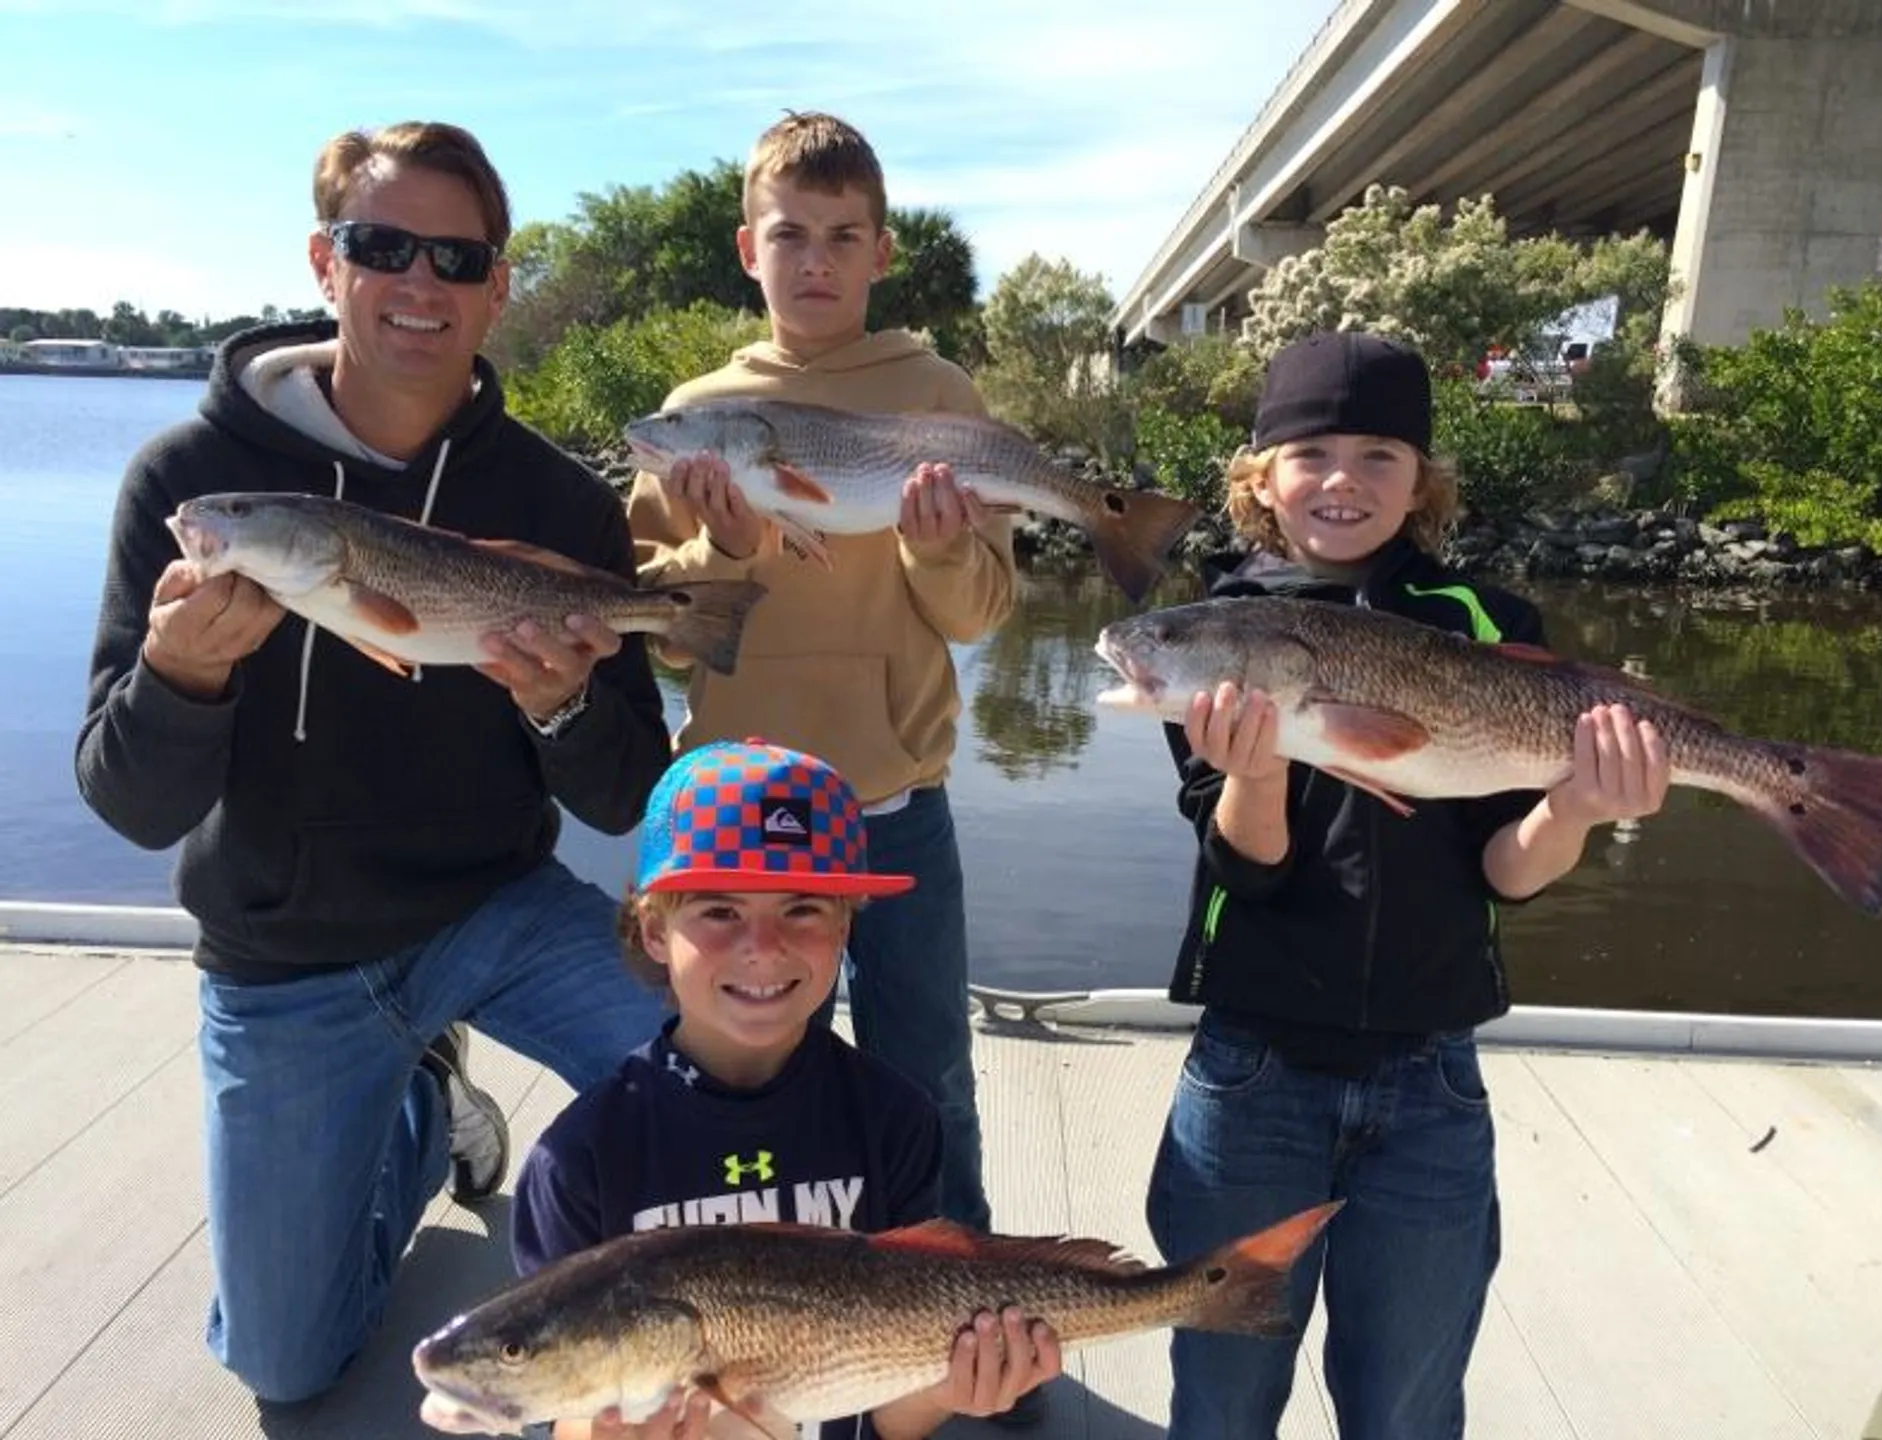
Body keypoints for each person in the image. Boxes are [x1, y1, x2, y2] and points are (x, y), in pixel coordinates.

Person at [73, 120, 673, 1406]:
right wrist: (181, 680)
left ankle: (439, 1086)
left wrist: (564, 708)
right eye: (382, 246)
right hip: (284, 953)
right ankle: (422, 1116)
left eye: (456, 259)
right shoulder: (195, 481)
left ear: (497, 287)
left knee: (719, 1063)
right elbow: (129, 805)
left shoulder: (563, 507)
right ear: (324, 262)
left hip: (496, 911)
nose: (419, 283)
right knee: (284, 1365)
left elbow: (631, 792)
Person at [1141, 330, 1674, 1439]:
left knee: (1408, 1408)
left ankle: (1797, 784)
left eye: (1379, 455)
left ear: (1422, 480)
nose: (1343, 479)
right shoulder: (1217, 632)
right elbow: (1248, 868)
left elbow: (1506, 872)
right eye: (1311, 453)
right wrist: (1257, 773)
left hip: (1433, 1080)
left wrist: (1578, 807)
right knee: (1223, 1401)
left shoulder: (1489, 624)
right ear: (1260, 478)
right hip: (1254, 1074)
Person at [626, 111, 1013, 1308]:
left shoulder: (937, 392)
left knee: (929, 1078)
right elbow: (651, 621)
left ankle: (968, 1316)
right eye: (790, 234)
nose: (816, 260)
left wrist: (937, 548)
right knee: (741, 1080)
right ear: (749, 250)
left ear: (881, 252)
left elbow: (979, 613)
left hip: (894, 807)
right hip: (728, 827)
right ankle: (767, 1313)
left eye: (844, 236)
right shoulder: (697, 413)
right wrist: (724, 544)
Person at [420, 738, 1060, 1439]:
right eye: (720, 911)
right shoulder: (580, 1159)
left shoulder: (896, 1118)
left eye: (803, 909)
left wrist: (948, 1388)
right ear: (653, 930)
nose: (762, 946)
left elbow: (886, 1422)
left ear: (845, 926)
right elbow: (568, 1421)